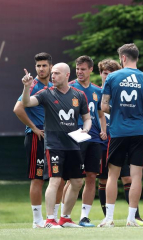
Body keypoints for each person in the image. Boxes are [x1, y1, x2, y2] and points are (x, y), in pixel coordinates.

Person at [21, 62, 91, 228]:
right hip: (54, 145)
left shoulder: (79, 95)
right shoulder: (46, 93)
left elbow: (87, 118)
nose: (53, 76)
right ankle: (50, 219)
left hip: (73, 144)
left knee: (77, 182)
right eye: (52, 73)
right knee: (55, 180)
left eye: (57, 73)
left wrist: (85, 130)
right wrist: (26, 87)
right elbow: (26, 103)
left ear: (67, 75)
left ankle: (65, 218)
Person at [98, 44, 143, 227]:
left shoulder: (113, 77)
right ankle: (132, 219)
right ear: (136, 57)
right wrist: (139, 111)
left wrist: (119, 110)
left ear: (122, 58)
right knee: (136, 176)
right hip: (139, 132)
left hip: (118, 132)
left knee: (112, 176)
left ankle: (109, 219)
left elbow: (104, 106)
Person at [13, 53, 64, 228]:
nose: (41, 69)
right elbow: (18, 109)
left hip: (55, 138)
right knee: (38, 178)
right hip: (37, 137)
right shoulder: (32, 85)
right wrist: (34, 128)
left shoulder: (52, 86)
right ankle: (37, 221)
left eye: (44, 66)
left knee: (59, 178)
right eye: (38, 66)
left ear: (51, 67)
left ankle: (53, 218)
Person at [67, 56, 107, 227]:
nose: (80, 72)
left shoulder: (97, 91)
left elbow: (100, 114)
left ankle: (84, 216)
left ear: (91, 70)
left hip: (95, 138)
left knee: (92, 176)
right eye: (77, 69)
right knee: (71, 178)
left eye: (83, 69)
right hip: (75, 137)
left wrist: (104, 130)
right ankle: (63, 215)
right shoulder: (69, 88)